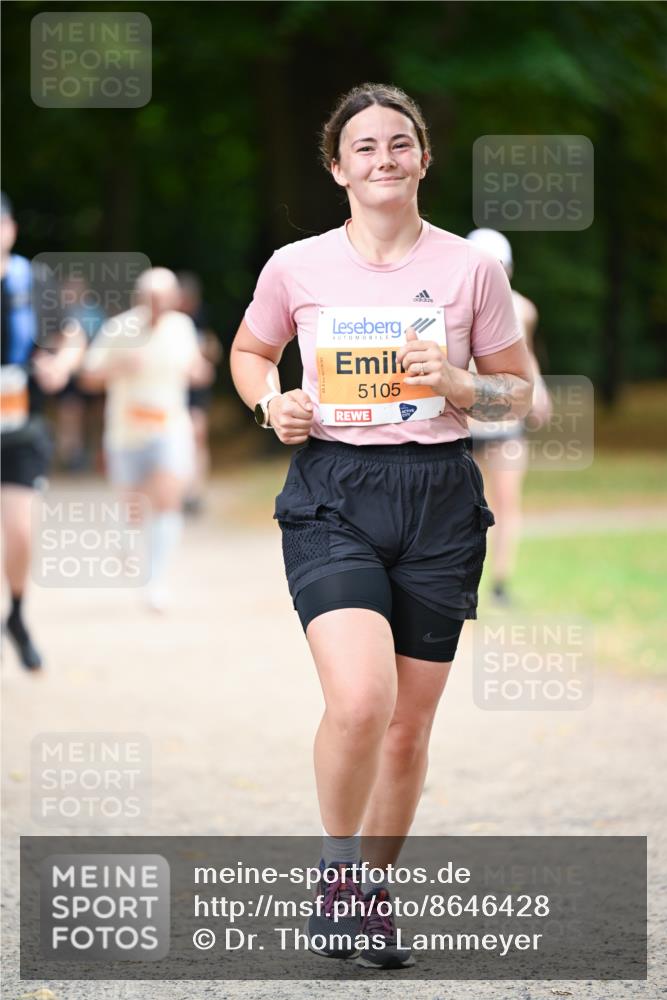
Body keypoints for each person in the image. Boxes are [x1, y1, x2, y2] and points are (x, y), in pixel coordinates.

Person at [230, 84, 534, 969]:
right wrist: (270, 402)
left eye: (399, 144)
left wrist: (461, 386)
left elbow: (520, 391)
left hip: (439, 493)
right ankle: (335, 871)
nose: (383, 159)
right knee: (363, 702)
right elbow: (252, 353)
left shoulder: (472, 271)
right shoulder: (296, 266)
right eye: (363, 148)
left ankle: (370, 895)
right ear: (337, 168)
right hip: (334, 489)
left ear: (423, 159)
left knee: (408, 727)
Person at [79, 267, 213, 611]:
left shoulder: (182, 328)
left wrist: (202, 368)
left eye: (164, 298)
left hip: (169, 429)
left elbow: (197, 368)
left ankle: (156, 582)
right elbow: (88, 376)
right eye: (150, 298)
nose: (157, 304)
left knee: (167, 499)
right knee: (133, 506)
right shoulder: (119, 328)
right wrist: (121, 366)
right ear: (139, 298)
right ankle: (124, 535)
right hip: (125, 433)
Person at [1, 192, 86, 669]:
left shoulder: (32, 280)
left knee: (19, 532)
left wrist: (62, 364)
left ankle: (15, 613)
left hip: (20, 428)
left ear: (11, 228)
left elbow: (71, 333)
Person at [465, 229, 551, 606]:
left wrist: (540, 392)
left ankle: (500, 584)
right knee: (466, 506)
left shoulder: (522, 308)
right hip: (466, 422)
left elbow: (525, 357)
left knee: (507, 501)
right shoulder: (455, 303)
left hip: (506, 422)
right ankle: (464, 578)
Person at [176, 271, 223, 515]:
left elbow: (213, 351)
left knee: (197, 436)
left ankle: (194, 492)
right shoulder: (167, 322)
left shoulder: (200, 318)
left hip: (195, 391)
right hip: (172, 390)